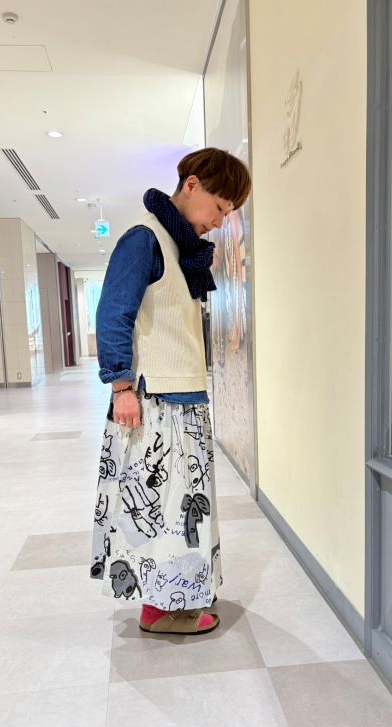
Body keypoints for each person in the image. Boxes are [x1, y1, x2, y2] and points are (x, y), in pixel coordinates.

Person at [90, 147, 251, 635]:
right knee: (161, 511)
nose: (219, 222)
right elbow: (113, 312)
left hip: (182, 402)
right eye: (219, 208)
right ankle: (160, 610)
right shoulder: (145, 238)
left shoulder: (179, 247)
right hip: (156, 404)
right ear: (192, 184)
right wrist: (121, 386)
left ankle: (182, 595)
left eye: (227, 214)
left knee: (181, 510)